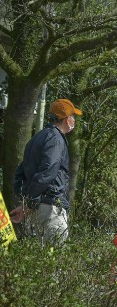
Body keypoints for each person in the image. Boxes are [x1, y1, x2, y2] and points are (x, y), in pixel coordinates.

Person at [11, 98, 83, 244]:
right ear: (66, 118)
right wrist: (30, 202)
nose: (74, 120)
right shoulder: (56, 139)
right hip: (51, 208)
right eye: (73, 116)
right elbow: (48, 171)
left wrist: (26, 204)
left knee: (38, 261)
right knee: (55, 261)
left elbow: (20, 174)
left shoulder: (36, 138)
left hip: (35, 209)